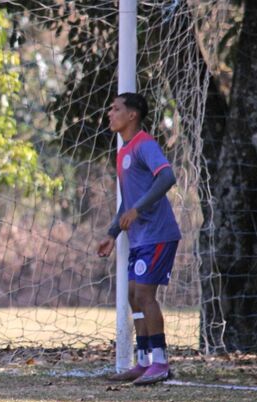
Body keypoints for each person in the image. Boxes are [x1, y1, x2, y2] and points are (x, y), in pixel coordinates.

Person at [98, 92, 181, 385]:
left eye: (115, 108)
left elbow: (167, 177)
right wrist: (112, 232)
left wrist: (138, 209)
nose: (110, 113)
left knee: (145, 295)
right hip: (139, 237)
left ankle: (160, 362)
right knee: (134, 295)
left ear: (132, 115)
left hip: (159, 234)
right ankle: (143, 360)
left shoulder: (144, 144)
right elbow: (129, 201)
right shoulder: (123, 152)